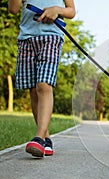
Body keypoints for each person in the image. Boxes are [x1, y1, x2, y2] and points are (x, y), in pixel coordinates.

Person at [8, 0, 76, 157]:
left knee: (43, 86)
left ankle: (38, 138)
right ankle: (46, 138)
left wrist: (56, 10)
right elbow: (13, 9)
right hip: (26, 38)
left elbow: (71, 11)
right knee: (33, 89)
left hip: (51, 36)